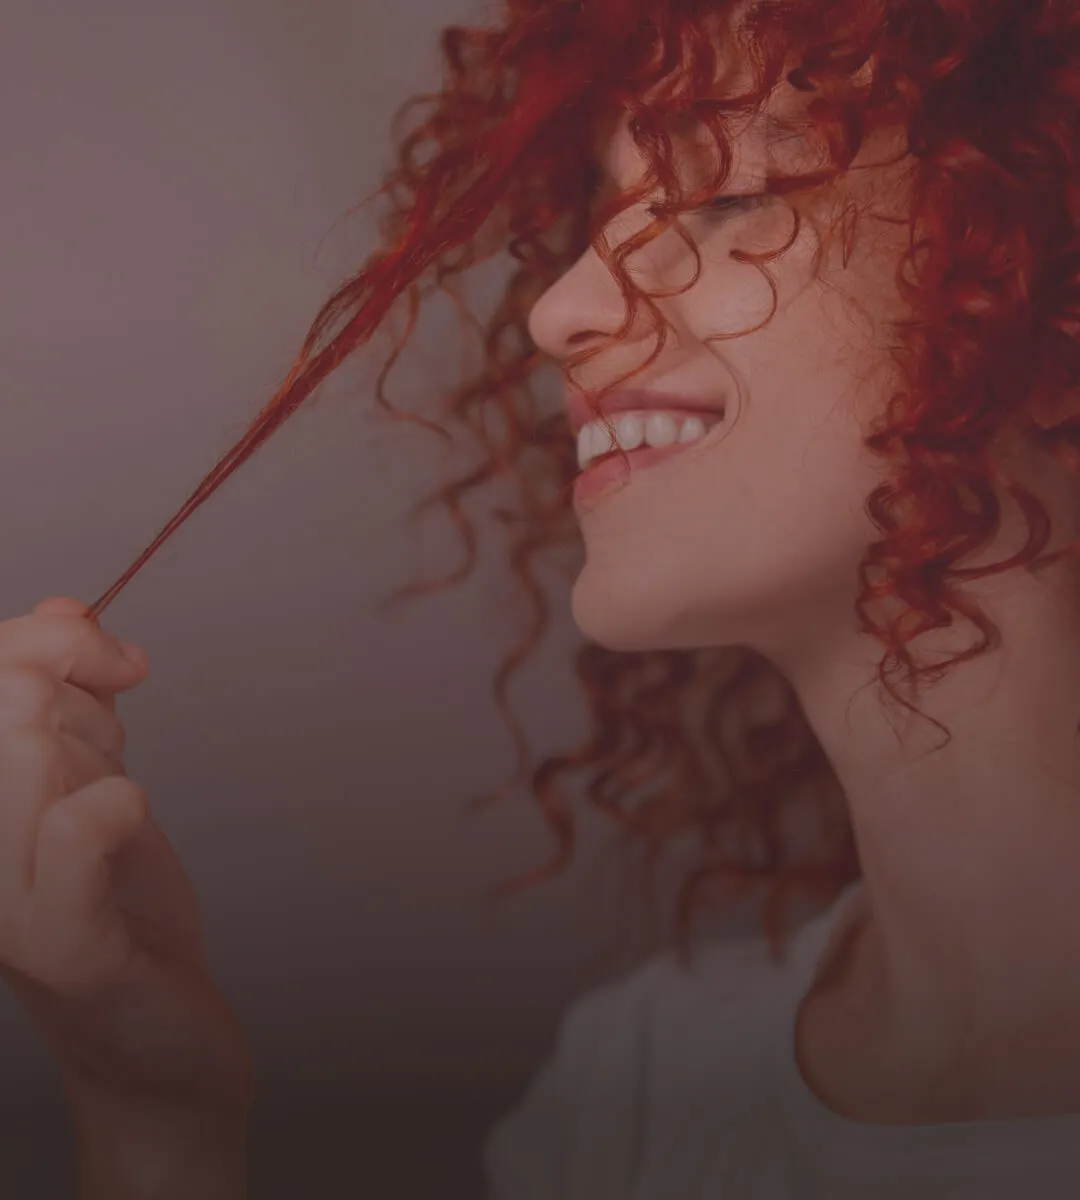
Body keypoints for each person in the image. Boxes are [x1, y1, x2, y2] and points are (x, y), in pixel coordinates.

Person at [0, 0, 1077, 1195]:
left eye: (726, 199)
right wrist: (152, 1114)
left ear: (1048, 289)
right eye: (603, 217)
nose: (558, 310)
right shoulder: (640, 1092)